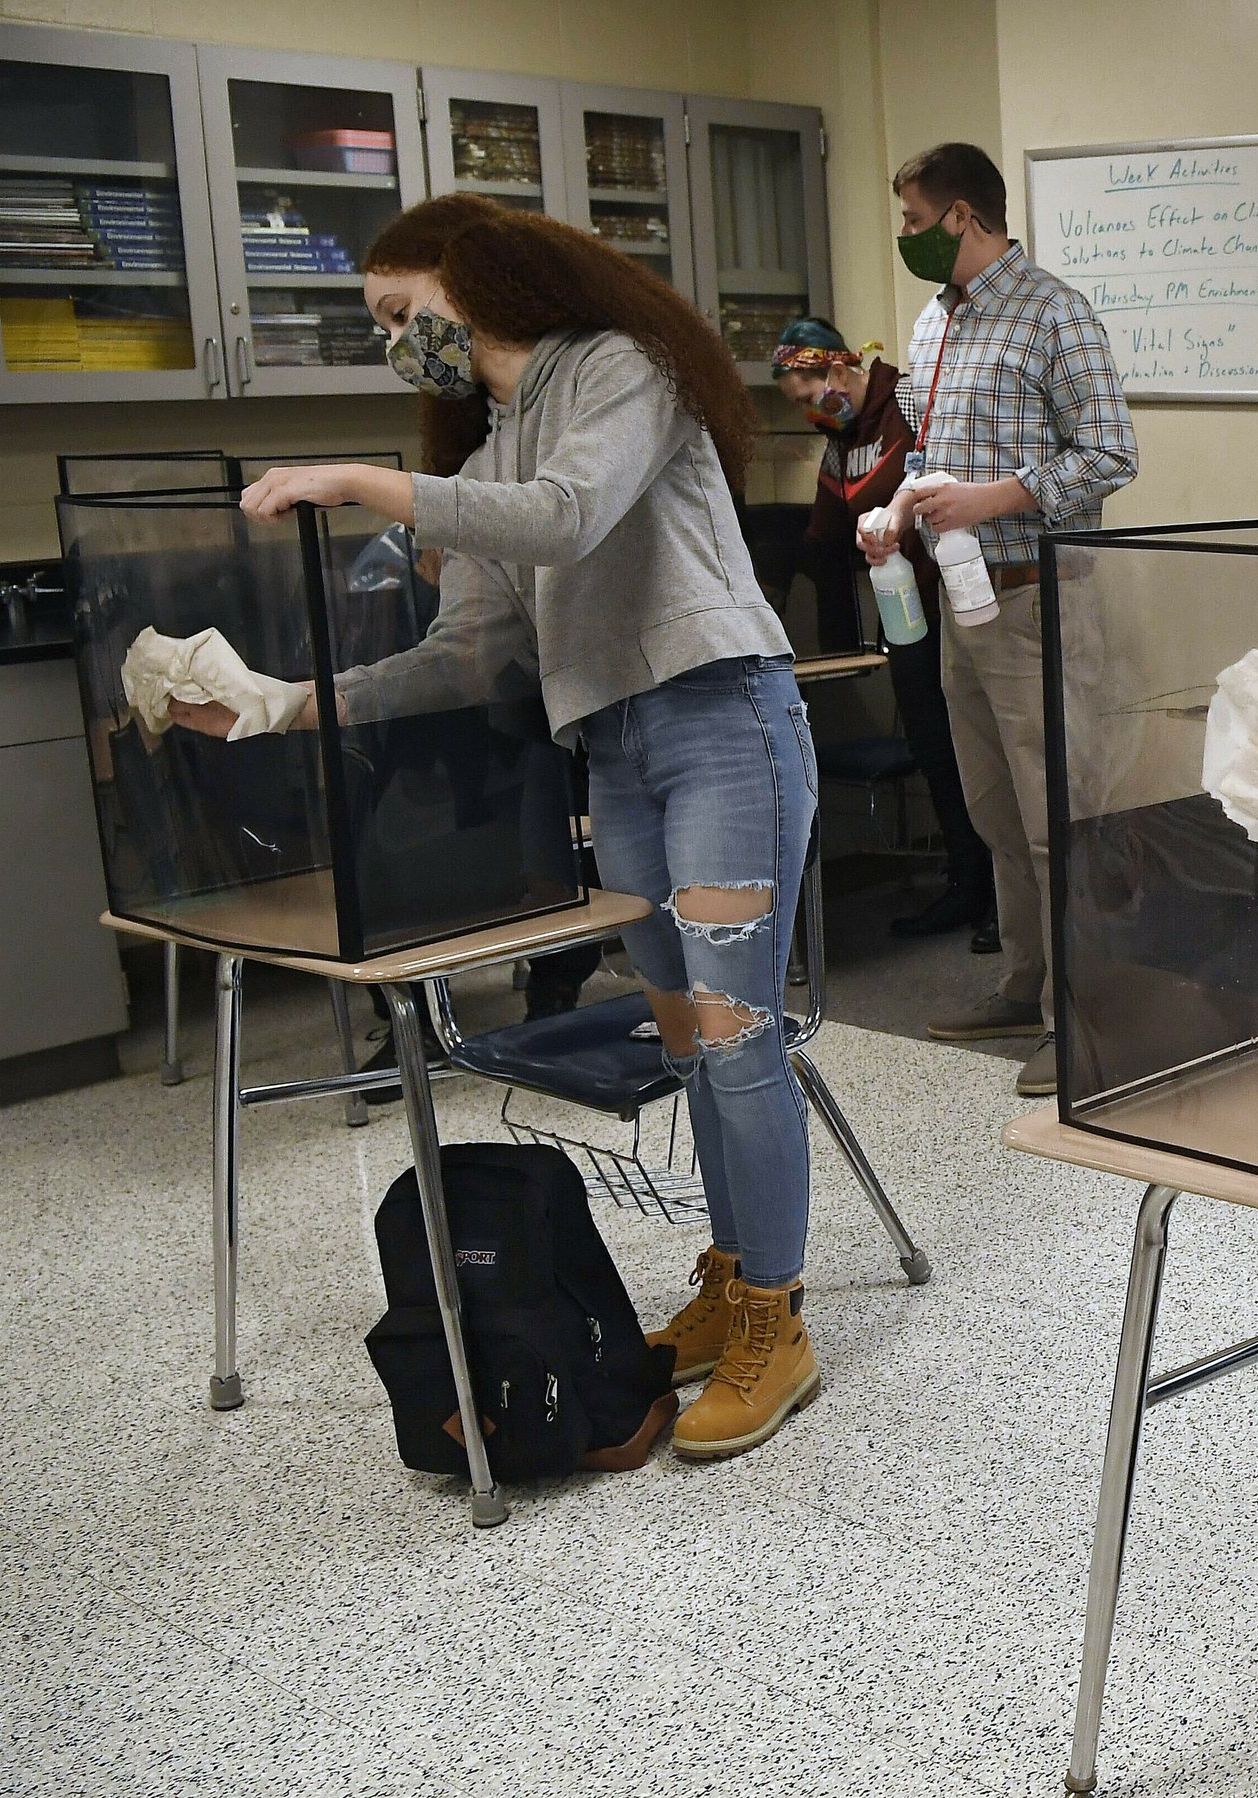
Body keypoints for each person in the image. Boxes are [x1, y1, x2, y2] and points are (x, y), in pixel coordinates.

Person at [188, 195, 827, 1462]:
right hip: (623, 751)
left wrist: (371, 483)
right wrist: (282, 704)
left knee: (740, 1037)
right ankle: (733, 1273)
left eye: (397, 309)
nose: (393, 339)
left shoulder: (620, 371)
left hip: (720, 723)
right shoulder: (485, 456)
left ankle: (778, 1320)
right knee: (691, 1042)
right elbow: (473, 654)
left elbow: (567, 513)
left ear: (473, 276)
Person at [858, 142, 1138, 1098]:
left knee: (1063, 812)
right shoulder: (934, 323)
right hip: (957, 599)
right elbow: (925, 453)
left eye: (911, 221)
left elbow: (1108, 454)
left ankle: (1087, 1015)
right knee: (994, 809)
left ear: (965, 217)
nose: (903, 238)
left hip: (1036, 594)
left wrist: (992, 500)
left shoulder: (1055, 313)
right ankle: (1028, 985)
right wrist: (899, 512)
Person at [767, 316, 997, 949]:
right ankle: (966, 884)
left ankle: (1008, 895)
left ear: (838, 370)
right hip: (905, 618)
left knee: (981, 750)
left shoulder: (908, 405)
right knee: (933, 749)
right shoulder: (840, 442)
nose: (814, 412)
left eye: (812, 396)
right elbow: (821, 537)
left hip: (959, 599)